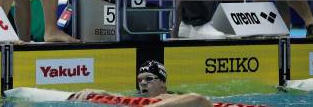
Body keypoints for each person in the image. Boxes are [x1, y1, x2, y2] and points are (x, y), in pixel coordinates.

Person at [69, 60, 212, 106]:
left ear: (163, 83)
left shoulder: (171, 98)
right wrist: (104, 94)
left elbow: (199, 100)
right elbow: (126, 99)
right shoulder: (138, 98)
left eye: (149, 79)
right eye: (140, 80)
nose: (142, 83)